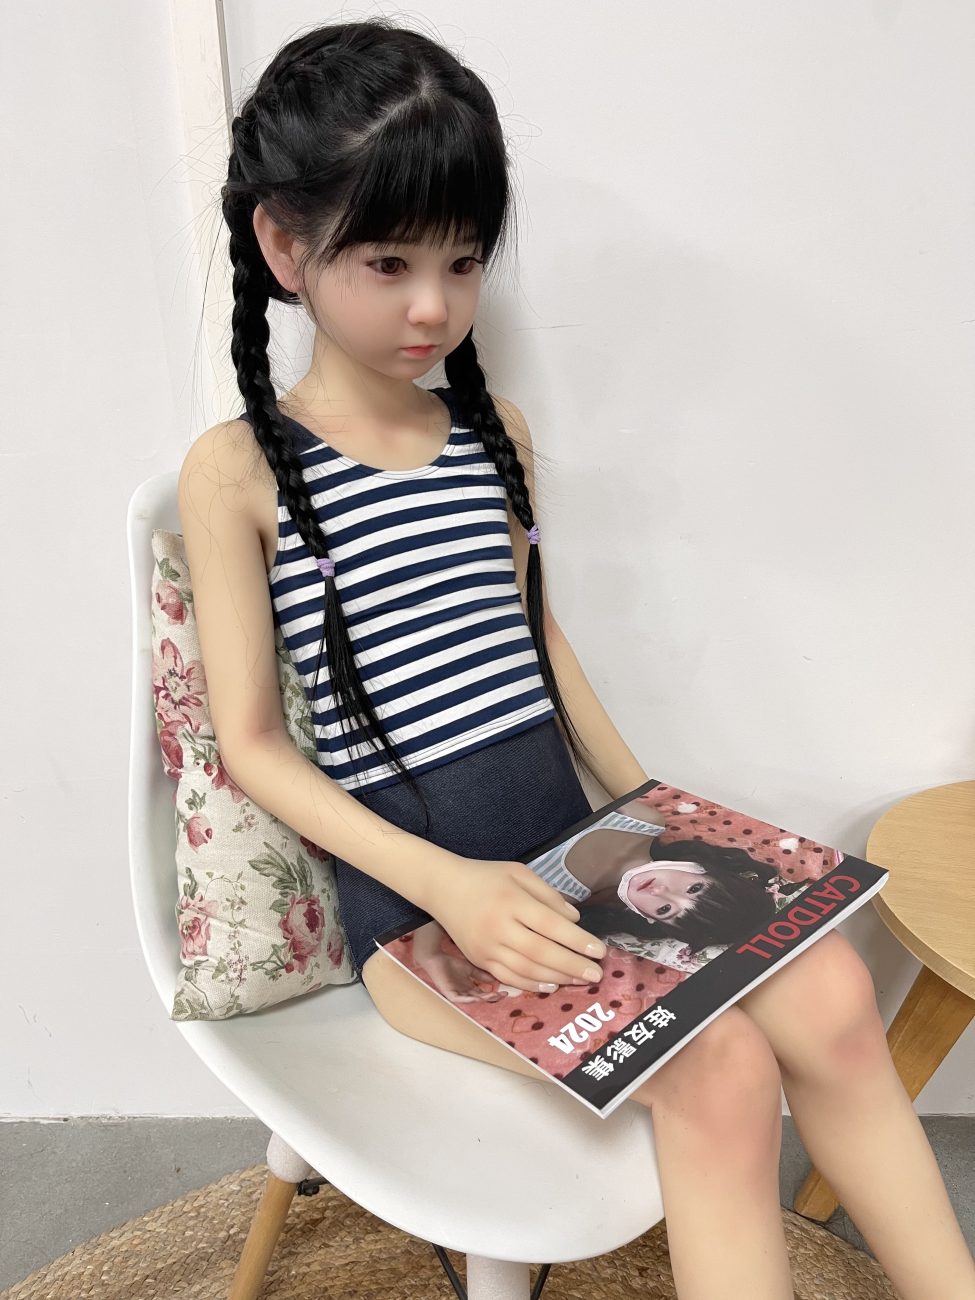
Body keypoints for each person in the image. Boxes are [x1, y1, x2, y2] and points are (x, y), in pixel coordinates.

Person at [177, 18, 975, 1300]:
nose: (433, 305)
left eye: (462, 262)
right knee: (720, 1067)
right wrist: (452, 886)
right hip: (419, 915)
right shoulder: (237, 472)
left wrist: (663, 808)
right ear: (283, 246)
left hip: (576, 857)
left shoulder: (493, 431)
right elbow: (256, 747)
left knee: (832, 989)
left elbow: (536, 638)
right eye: (387, 262)